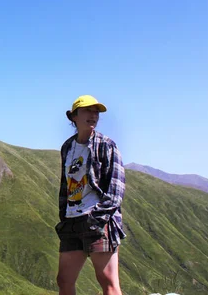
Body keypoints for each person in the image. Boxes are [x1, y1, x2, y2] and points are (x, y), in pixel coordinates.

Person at [55, 95, 126, 295]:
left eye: (96, 112)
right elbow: (65, 184)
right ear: (74, 117)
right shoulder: (68, 147)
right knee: (64, 280)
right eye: (88, 110)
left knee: (108, 281)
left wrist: (98, 218)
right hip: (72, 221)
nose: (93, 115)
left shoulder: (106, 145)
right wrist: (64, 215)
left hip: (98, 220)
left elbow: (116, 187)